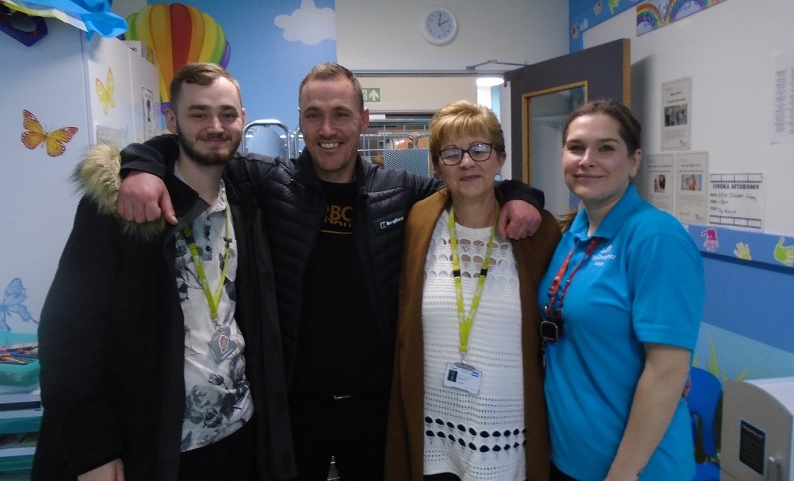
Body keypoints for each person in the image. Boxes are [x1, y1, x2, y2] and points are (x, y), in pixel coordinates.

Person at [111, 63, 546, 480]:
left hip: (377, 407)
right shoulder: (267, 183)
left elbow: (469, 181)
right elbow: (202, 144)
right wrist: (141, 165)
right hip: (293, 407)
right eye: (314, 115)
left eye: (341, 114)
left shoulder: (402, 192)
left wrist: (522, 195)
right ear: (299, 119)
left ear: (364, 119)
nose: (327, 129)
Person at [33, 63, 295, 481]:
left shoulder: (248, 194)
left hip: (237, 435)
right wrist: (93, 451)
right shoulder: (124, 207)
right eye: (198, 114)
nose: (215, 125)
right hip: (152, 446)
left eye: (227, 114)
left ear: (243, 120)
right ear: (171, 119)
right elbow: (68, 334)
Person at [385, 100, 561, 481]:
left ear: (500, 158)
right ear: (436, 164)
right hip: (435, 425)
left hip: (510, 427)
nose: (467, 162)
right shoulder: (420, 220)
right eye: (451, 152)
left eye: (480, 149)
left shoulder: (538, 231)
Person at [537, 100, 704, 480]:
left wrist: (623, 474)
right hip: (569, 457)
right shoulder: (571, 233)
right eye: (576, 147)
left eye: (606, 148)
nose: (587, 159)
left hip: (636, 468)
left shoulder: (656, 237)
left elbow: (666, 372)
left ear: (633, 161)